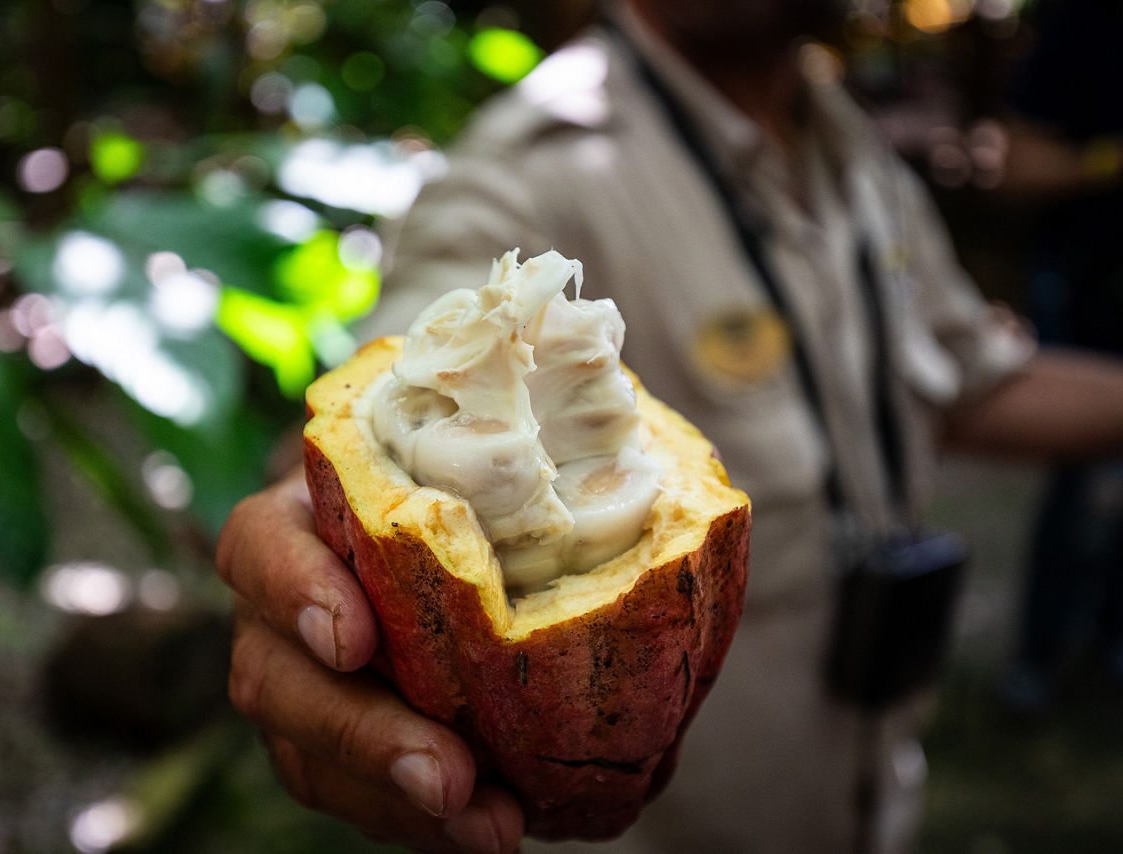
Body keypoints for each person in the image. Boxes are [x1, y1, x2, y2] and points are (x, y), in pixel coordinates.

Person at [215, 1, 1123, 851]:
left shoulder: (846, 139)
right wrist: (312, 549)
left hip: (871, 793)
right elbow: (403, 375)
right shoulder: (529, 166)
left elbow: (968, 382)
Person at [994, 0, 1123, 712]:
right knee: (1078, 488)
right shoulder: (1085, 25)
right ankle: (1038, 660)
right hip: (1085, 285)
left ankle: (1108, 647)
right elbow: (1018, 165)